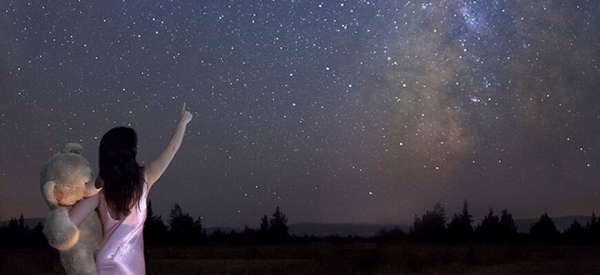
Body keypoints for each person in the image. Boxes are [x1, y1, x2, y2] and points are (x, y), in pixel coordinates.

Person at [68, 102, 193, 274]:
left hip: (103, 261)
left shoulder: (100, 190)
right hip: (131, 266)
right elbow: (171, 149)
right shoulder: (145, 177)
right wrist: (183, 122)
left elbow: (70, 221)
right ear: (130, 152)